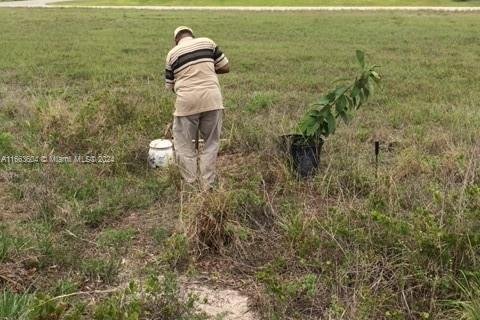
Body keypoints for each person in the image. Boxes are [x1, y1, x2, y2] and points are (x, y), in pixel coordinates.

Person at [165, 26, 230, 190]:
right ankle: (207, 184)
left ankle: (191, 183)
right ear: (192, 36)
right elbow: (225, 67)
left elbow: (170, 87)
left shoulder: (172, 54)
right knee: (211, 143)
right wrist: (206, 70)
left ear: (176, 40)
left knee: (183, 145)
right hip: (212, 100)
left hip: (187, 103)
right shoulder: (208, 43)